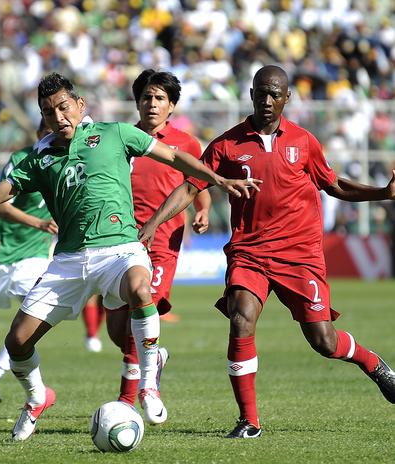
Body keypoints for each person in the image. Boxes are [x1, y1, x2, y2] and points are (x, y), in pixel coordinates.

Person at [0, 72, 259, 441]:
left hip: (121, 248)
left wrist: (217, 180)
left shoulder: (116, 133)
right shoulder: (38, 158)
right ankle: (37, 396)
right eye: (49, 112)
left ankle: (148, 382)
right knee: (17, 343)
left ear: (80, 105)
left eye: (64, 107)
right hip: (69, 260)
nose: (58, 117)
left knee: (140, 288)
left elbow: (176, 157)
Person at [139, 65, 395, 439]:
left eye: (275, 94)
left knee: (323, 340)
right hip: (249, 252)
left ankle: (374, 364)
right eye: (261, 93)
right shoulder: (227, 145)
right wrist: (152, 224)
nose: (268, 100)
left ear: (287, 98)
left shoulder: (304, 142)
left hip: (299, 254)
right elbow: (190, 188)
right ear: (251, 94)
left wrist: (382, 193)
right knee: (241, 317)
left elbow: (334, 184)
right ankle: (249, 420)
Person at [105, 69, 212, 407]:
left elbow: (197, 182)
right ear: (137, 102)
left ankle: (131, 399)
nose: (152, 104)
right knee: (120, 332)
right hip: (120, 241)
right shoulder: (121, 137)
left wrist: (202, 210)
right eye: (146, 97)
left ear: (172, 106)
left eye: (160, 98)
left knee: (142, 308)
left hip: (163, 242)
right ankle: (155, 359)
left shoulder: (186, 144)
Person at [0, 119, 58, 406]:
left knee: (34, 315)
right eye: (47, 132)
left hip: (33, 255)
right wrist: (39, 222)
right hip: (1, 248)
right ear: (37, 135)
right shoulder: (21, 160)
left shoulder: (68, 162)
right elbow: (1, 205)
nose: (53, 136)